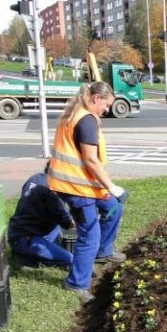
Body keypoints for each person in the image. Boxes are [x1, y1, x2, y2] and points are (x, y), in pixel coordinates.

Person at [47, 81, 127, 303]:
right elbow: (91, 160)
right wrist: (111, 186)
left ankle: (104, 252)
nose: (107, 110)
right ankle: (76, 283)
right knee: (89, 235)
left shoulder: (76, 113)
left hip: (83, 183)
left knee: (113, 206)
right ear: (95, 99)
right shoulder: (86, 121)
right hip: (76, 188)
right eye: (106, 105)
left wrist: (109, 192)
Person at [7, 164, 74, 268]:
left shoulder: (36, 178)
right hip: (27, 240)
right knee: (71, 259)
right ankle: (27, 259)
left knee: (55, 223)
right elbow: (68, 223)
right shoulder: (52, 192)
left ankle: (27, 255)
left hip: (16, 232)